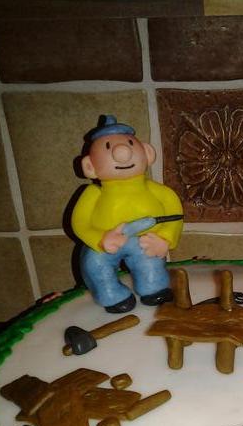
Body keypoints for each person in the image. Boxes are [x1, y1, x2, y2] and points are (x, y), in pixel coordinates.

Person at [71, 115, 183, 313]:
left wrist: (165, 238)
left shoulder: (159, 191)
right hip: (105, 244)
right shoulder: (92, 193)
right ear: (89, 166)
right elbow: (79, 223)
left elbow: (176, 215)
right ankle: (111, 296)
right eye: (108, 147)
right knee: (94, 264)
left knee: (150, 262)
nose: (122, 153)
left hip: (146, 241)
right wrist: (100, 239)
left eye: (130, 144)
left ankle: (154, 288)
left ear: (148, 153)